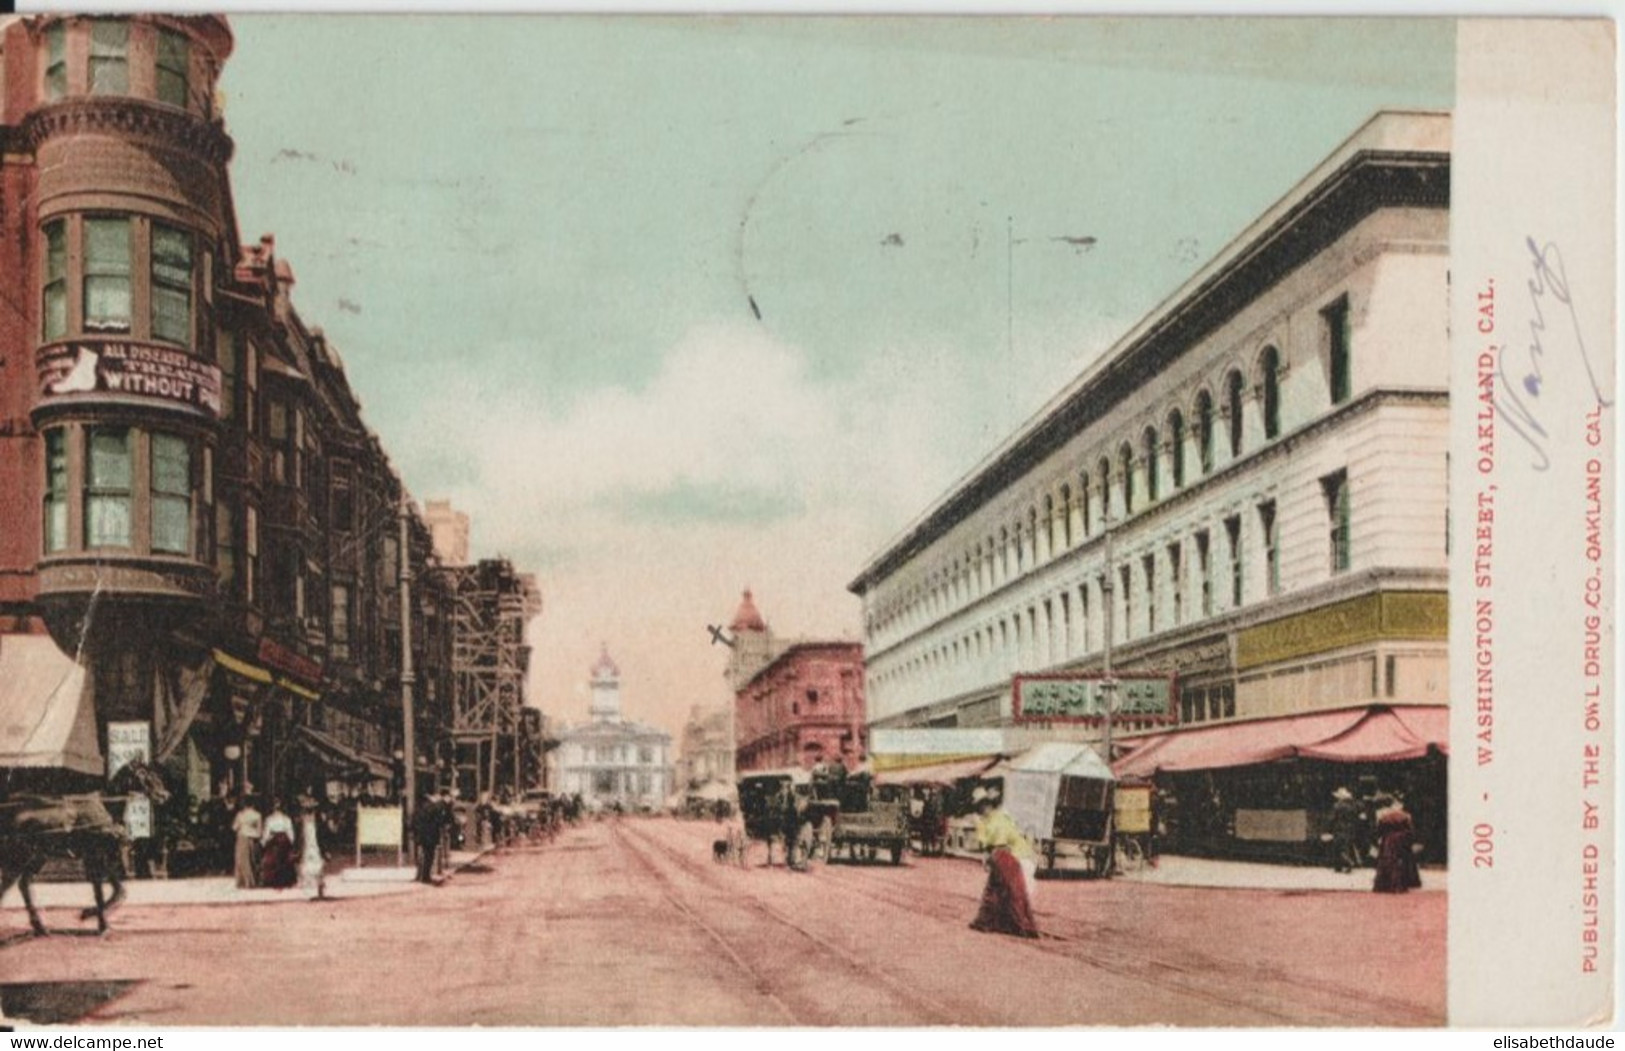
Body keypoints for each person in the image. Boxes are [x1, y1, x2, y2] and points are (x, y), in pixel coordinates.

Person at [969, 787, 1039, 938]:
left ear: (987, 805)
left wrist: (989, 857)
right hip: (1006, 856)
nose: (981, 810)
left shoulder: (998, 819)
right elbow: (985, 844)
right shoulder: (988, 821)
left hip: (1018, 857)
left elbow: (1000, 846)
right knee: (997, 889)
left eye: (982, 806)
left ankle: (1019, 925)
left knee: (1012, 892)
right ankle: (989, 921)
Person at [1373, 796, 1423, 893]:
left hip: (1388, 840)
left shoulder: (1384, 817)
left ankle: (1385, 885)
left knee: (1388, 861)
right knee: (1402, 862)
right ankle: (1401, 885)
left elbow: (1379, 830)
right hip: (1402, 841)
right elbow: (1411, 830)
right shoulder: (1406, 816)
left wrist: (1380, 839)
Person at [260, 798, 299, 889]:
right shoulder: (286, 819)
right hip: (283, 840)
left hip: (275, 840)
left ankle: (274, 880)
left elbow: (267, 832)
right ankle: (285, 880)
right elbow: (290, 832)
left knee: (273, 859)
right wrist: (291, 841)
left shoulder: (269, 819)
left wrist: (263, 841)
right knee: (284, 859)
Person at [297, 796, 327, 900]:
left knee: (318, 868)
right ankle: (309, 892)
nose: (308, 812)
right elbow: (299, 836)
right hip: (306, 846)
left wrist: (325, 849)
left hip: (315, 846)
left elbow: (323, 836)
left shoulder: (318, 821)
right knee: (307, 868)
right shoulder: (301, 821)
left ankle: (319, 890)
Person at [231, 796, 263, 889]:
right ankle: (253, 881)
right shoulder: (257, 815)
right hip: (253, 838)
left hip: (242, 837)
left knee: (241, 860)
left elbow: (234, 827)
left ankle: (243, 882)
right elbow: (259, 831)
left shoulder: (240, 815)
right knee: (252, 860)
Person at [413, 792, 445, 884]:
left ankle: (419, 876)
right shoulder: (435, 808)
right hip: (431, 836)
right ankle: (426, 876)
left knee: (421, 856)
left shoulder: (419, 807)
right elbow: (439, 821)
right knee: (429, 857)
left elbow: (415, 820)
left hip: (421, 835)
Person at [1329, 786, 1362, 873]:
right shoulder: (1353, 806)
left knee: (1338, 848)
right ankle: (1340, 866)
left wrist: (1329, 829)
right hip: (1351, 828)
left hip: (1339, 828)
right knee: (1346, 847)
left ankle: (1347, 863)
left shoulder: (1337, 806)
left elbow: (1332, 818)